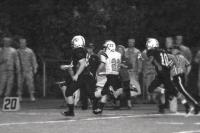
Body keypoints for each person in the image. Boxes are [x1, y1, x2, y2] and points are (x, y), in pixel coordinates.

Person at [146, 38, 192, 114]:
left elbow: (150, 60)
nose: (147, 45)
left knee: (174, 92)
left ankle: (186, 105)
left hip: (162, 75)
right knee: (152, 89)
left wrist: (148, 61)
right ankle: (184, 105)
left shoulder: (151, 52)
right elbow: (171, 61)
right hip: (164, 74)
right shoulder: (163, 51)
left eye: (148, 44)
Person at [61, 35, 96, 116]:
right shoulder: (82, 50)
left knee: (70, 92)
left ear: (76, 42)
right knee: (89, 94)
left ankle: (71, 111)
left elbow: (83, 63)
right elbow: (78, 64)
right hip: (85, 75)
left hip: (83, 75)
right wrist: (67, 67)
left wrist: (76, 75)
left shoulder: (78, 50)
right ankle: (71, 111)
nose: (72, 44)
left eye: (73, 42)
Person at [93, 40, 122, 114]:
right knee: (107, 92)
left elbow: (102, 64)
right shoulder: (118, 54)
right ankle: (100, 108)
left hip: (110, 76)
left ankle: (110, 91)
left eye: (105, 47)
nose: (104, 48)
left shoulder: (105, 54)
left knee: (103, 92)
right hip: (117, 75)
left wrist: (98, 71)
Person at [169, 47, 199, 114]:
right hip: (176, 77)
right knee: (178, 93)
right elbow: (188, 66)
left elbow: (188, 66)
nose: (172, 51)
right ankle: (187, 106)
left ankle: (196, 104)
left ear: (177, 50)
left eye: (173, 49)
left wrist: (184, 74)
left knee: (184, 92)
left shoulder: (178, 57)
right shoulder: (177, 57)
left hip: (178, 77)